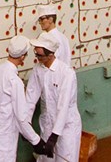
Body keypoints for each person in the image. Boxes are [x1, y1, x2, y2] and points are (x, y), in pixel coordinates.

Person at [0, 35, 50, 162]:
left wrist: (26, 134)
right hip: (2, 144)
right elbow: (21, 118)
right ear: (23, 57)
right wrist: (36, 141)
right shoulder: (14, 81)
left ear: (9, 51)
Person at [27, 34, 82, 162]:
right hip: (47, 124)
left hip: (67, 127)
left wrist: (55, 136)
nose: (37, 58)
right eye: (36, 54)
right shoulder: (37, 70)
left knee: (65, 159)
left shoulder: (66, 73)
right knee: (46, 160)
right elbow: (30, 98)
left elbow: (63, 106)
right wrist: (26, 123)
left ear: (51, 55)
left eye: (40, 55)